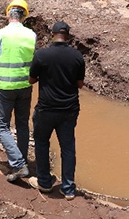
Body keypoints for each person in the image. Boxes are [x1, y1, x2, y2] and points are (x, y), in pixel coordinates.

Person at [0, 0, 37, 182]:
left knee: (2, 125)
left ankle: (19, 164)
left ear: (8, 14)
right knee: (22, 123)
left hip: (4, 87)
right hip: (25, 86)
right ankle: (22, 158)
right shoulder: (31, 35)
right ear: (24, 16)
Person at [27, 21, 85, 201]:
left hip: (46, 108)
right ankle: (68, 188)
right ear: (67, 36)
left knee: (42, 142)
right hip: (69, 109)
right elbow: (80, 84)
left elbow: (31, 80)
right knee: (68, 147)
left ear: (52, 35)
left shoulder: (42, 55)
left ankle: (44, 182)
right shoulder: (77, 56)